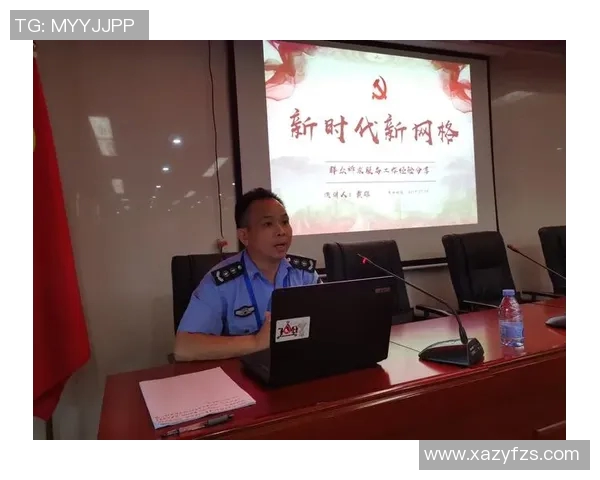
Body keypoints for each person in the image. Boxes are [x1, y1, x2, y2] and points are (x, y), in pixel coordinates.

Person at [173, 188, 320, 362]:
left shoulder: (304, 274)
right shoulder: (221, 282)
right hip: (241, 371)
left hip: (298, 364)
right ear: (244, 236)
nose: (281, 231)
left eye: (285, 221)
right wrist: (256, 342)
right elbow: (184, 348)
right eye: (268, 224)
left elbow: (329, 321)